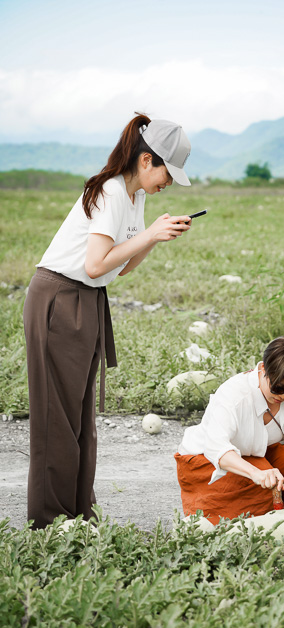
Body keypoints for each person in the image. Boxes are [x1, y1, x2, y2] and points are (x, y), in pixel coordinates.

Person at [23, 113, 193, 529]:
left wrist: (155, 238)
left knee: (81, 421)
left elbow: (122, 268)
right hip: (58, 298)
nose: (168, 182)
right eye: (167, 172)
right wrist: (149, 235)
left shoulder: (136, 199)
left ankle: (79, 515)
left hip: (86, 300)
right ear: (146, 160)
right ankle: (50, 523)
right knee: (56, 421)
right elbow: (95, 264)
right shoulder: (112, 192)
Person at [175, 335, 284, 525]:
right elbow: (217, 448)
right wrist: (256, 474)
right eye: (278, 388)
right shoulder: (234, 395)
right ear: (264, 369)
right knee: (263, 477)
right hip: (208, 461)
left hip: (261, 456)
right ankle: (263, 528)